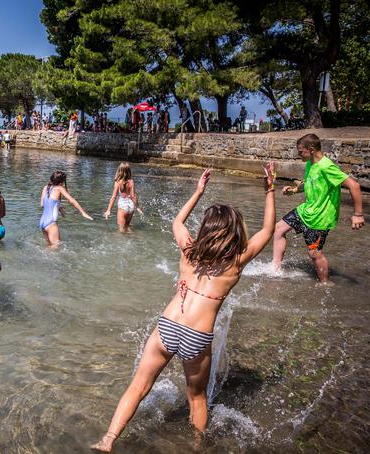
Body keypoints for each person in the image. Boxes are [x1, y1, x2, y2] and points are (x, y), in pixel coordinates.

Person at [91, 162, 277, 452]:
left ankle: (108, 440)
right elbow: (267, 229)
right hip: (197, 336)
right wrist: (270, 189)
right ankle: (196, 446)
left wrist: (198, 191)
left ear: (205, 228)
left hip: (168, 324)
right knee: (197, 397)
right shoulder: (235, 262)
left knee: (138, 386)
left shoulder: (189, 249)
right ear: (233, 232)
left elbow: (177, 222)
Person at [272, 134, 364, 284]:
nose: (298, 154)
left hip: (320, 218)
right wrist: (294, 190)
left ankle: (325, 283)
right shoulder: (310, 164)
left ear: (311, 149)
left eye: (300, 151)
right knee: (278, 229)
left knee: (314, 254)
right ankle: (275, 270)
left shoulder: (327, 167)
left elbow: (354, 186)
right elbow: (309, 182)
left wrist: (358, 214)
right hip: (306, 210)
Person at [39, 170, 93, 246]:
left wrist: (59, 207)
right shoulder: (60, 188)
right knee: (55, 249)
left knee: (48, 246)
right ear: (61, 182)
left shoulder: (45, 188)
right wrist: (83, 213)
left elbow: (42, 204)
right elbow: (72, 200)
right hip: (51, 223)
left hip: (42, 223)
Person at [103, 162, 143, 232]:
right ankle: (133, 238)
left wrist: (108, 210)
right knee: (127, 227)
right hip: (131, 206)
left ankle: (123, 241)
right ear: (129, 171)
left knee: (121, 230)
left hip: (123, 206)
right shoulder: (131, 181)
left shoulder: (118, 182)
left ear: (119, 171)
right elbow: (133, 196)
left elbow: (114, 197)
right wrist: (138, 207)